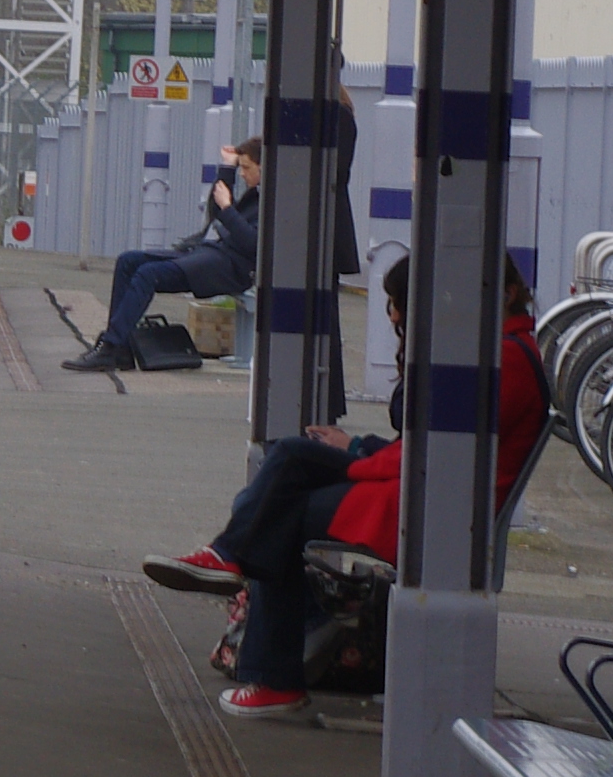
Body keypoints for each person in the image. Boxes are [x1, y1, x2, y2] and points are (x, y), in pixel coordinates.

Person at [140, 253, 547, 719]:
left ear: (506, 295)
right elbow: (433, 448)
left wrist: (355, 456)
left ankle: (269, 662)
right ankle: (231, 566)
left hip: (428, 505)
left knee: (281, 502)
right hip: (433, 494)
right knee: (285, 471)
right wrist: (358, 447)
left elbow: (432, 451)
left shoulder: (503, 362)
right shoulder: (507, 353)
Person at [63, 130, 266, 372]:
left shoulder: (274, 200)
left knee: (148, 274)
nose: (242, 174)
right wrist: (226, 169)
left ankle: (110, 346)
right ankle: (122, 349)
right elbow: (218, 214)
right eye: (240, 168)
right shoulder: (255, 193)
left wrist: (228, 207)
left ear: (264, 168)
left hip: (231, 268)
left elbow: (253, 243)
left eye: (246, 168)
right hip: (212, 255)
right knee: (129, 261)